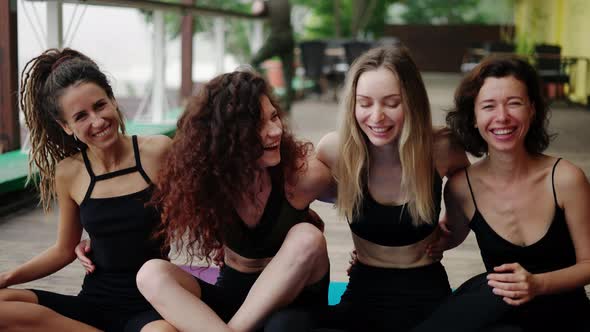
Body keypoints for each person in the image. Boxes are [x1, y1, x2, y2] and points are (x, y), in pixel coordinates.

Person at [131, 70, 332, 332]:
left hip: (294, 300)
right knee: (150, 274)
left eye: (274, 117)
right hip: (235, 294)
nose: (275, 131)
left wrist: (363, 252)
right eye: (258, 125)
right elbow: (147, 213)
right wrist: (93, 242)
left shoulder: (303, 175)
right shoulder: (207, 178)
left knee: (307, 236)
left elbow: (363, 198)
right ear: (227, 135)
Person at [0, 48, 175, 332]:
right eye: (80, 116)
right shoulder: (69, 172)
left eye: (100, 105)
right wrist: (7, 277)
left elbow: (197, 209)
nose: (97, 121)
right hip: (93, 302)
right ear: (65, 126)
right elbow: (64, 250)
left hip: (151, 304)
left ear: (113, 101)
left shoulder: (156, 151)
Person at [415, 56, 590, 331]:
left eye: (514, 103)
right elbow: (445, 237)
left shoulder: (566, 179)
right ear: (473, 117)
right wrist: (372, 253)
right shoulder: (462, 188)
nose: (502, 117)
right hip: (500, 312)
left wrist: (537, 284)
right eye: (488, 106)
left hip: (566, 315)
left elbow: (588, 264)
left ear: (532, 110)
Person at [314, 45, 469, 332]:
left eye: (391, 103)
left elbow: (473, 191)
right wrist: (309, 227)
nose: (376, 116)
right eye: (365, 103)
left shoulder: (442, 148)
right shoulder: (335, 150)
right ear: (352, 105)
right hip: (364, 287)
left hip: (426, 291)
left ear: (412, 102)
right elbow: (293, 195)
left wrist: (450, 235)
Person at [251, 0, 295, 112]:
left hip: (276, 38)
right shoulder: (286, 2)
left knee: (254, 62)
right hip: (289, 38)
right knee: (288, 73)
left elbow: (256, 11)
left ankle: (266, 89)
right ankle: (287, 104)